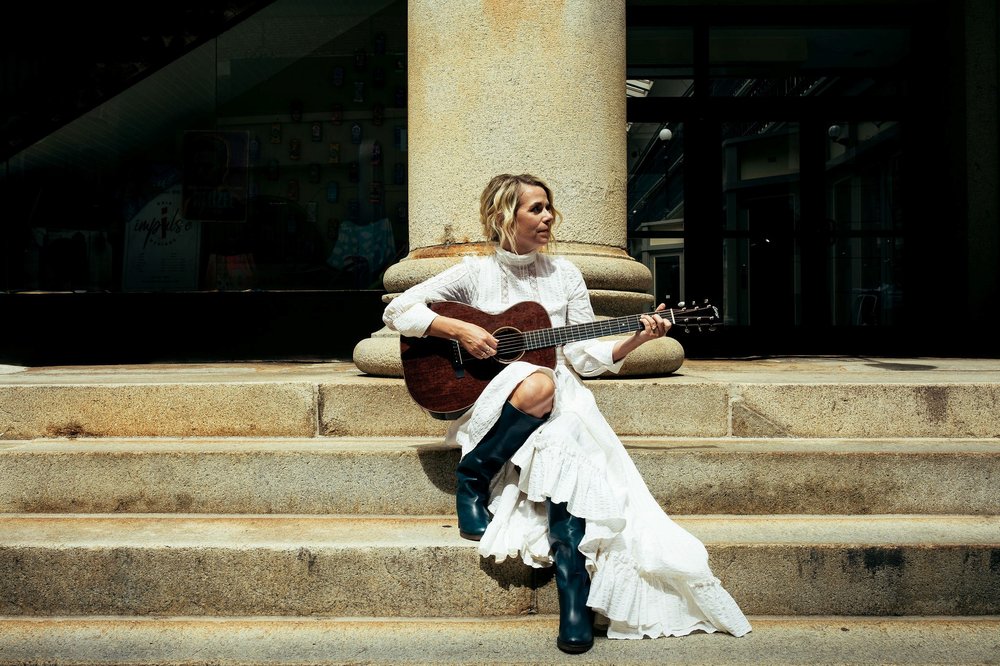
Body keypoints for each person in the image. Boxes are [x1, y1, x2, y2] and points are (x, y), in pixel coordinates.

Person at [383, 173, 751, 654]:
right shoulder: (475, 274)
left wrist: (640, 337)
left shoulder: (567, 274)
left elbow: (581, 358)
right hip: (500, 398)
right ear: (503, 215)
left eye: (549, 207)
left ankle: (573, 599)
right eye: (535, 209)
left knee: (564, 444)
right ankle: (473, 478)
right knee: (538, 382)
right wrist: (459, 331)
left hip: (564, 398)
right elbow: (397, 310)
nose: (548, 217)